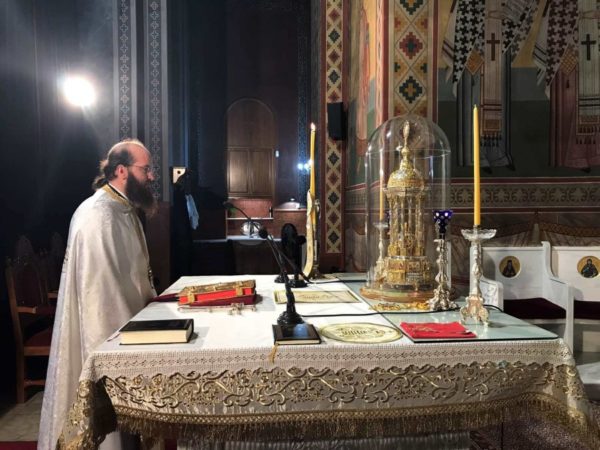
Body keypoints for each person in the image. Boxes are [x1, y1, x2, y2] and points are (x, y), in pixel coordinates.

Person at [38, 139, 157, 450]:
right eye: (146, 169)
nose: (152, 176)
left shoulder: (121, 208)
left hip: (130, 321)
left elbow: (134, 276)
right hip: (108, 332)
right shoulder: (98, 216)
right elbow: (102, 294)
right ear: (121, 170)